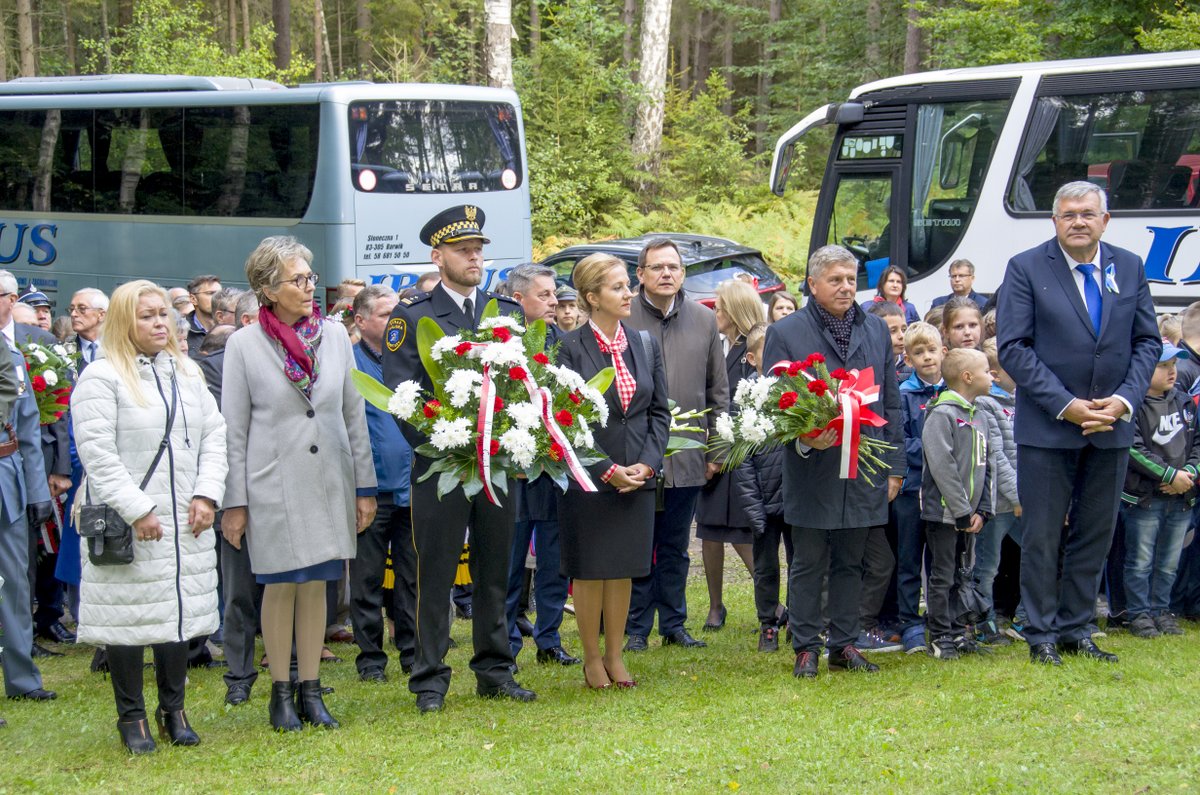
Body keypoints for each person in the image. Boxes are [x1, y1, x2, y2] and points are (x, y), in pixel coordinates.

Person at [997, 180, 1160, 666]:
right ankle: (1041, 633)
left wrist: (1125, 401)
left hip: (1111, 426)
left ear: (1104, 220)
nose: (1078, 222)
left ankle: (1077, 627)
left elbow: (1147, 342)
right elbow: (1013, 348)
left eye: (1087, 214)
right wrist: (1066, 404)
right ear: (1055, 221)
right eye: (1068, 215)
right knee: (1044, 535)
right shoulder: (1026, 268)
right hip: (1049, 429)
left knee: (1095, 532)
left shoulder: (1128, 267)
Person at [382, 205, 534, 714]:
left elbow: (525, 387)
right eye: (463, 250)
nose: (474, 257)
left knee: (495, 569)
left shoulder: (505, 313)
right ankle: (429, 677)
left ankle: (494, 669)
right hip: (441, 466)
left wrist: (509, 439)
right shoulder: (414, 316)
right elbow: (402, 395)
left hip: (496, 467)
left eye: (478, 249)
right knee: (437, 573)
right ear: (437, 255)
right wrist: (451, 443)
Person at [222, 236, 377, 730]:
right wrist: (235, 502)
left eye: (311, 277)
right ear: (267, 288)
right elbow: (234, 429)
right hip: (274, 484)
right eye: (298, 279)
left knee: (318, 588)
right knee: (283, 586)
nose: (310, 287)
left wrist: (365, 486)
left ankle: (312, 690)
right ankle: (280, 692)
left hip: (331, 478)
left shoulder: (333, 335)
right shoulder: (244, 344)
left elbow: (354, 414)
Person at [71, 280, 227, 753]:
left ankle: (173, 709)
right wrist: (138, 509)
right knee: (130, 619)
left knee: (176, 618)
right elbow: (97, 455)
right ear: (123, 321)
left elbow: (214, 436)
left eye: (164, 314)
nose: (161, 323)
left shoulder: (187, 372)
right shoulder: (101, 378)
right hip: (130, 520)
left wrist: (208, 493)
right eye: (147, 315)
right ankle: (132, 716)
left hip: (186, 517)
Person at [763, 245, 904, 677]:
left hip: (864, 462)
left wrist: (895, 464)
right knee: (808, 561)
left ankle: (844, 643)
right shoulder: (787, 331)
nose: (846, 287)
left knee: (852, 559)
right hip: (811, 465)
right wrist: (807, 439)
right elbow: (773, 403)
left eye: (851, 279)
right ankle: (806, 645)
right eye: (836, 280)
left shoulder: (876, 330)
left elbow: (892, 401)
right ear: (813, 284)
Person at [557, 253, 670, 688]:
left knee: (622, 567)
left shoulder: (644, 343)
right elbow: (564, 420)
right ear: (591, 297)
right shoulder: (567, 347)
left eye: (628, 285)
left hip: (638, 474)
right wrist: (606, 469)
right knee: (590, 569)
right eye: (618, 287)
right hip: (590, 476)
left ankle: (616, 655)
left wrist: (648, 463)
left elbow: (659, 412)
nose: (630, 293)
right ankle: (590, 659)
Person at [625, 238, 728, 651]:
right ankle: (635, 628)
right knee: (637, 545)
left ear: (683, 274)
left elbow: (717, 390)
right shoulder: (624, 315)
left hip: (688, 454)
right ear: (641, 274)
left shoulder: (704, 321)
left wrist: (716, 451)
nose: (666, 274)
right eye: (657, 267)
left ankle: (673, 623)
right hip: (636, 455)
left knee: (675, 546)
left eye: (674, 267)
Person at [502, 265, 580, 667]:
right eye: (546, 295)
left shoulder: (563, 344)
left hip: (552, 467)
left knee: (554, 559)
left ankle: (549, 639)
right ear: (519, 300)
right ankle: (507, 644)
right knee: (511, 564)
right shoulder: (497, 346)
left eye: (555, 296)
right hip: (513, 472)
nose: (555, 302)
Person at [349, 284, 416, 681]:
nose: (395, 322)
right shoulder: (350, 363)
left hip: (412, 487)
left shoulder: (406, 358)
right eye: (385, 315)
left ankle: (411, 651)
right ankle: (371, 658)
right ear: (360, 321)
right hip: (372, 492)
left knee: (411, 577)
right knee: (367, 580)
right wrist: (363, 488)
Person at [198, 303, 260, 707]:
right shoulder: (214, 366)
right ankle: (239, 673)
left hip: (287, 485)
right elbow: (228, 430)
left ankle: (291, 666)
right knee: (239, 589)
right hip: (240, 486)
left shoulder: (302, 356)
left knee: (288, 585)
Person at [920, 348, 994, 659]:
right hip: (945, 513)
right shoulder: (942, 414)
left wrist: (983, 509)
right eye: (987, 370)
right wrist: (962, 510)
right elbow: (942, 466)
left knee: (963, 572)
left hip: (970, 514)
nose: (993, 376)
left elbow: (985, 464)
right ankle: (941, 636)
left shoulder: (981, 416)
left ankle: (960, 629)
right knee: (943, 574)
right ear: (967, 377)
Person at [1120, 344, 1197, 639]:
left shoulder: (1185, 401)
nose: (1172, 371)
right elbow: (1131, 448)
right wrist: (1168, 475)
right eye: (1163, 366)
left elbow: (1198, 444)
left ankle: (1161, 611)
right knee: (1140, 561)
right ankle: (1139, 615)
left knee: (1168, 562)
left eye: (1174, 365)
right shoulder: (1132, 404)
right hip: (1145, 499)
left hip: (1181, 497)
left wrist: (1188, 474)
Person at [696, 279, 760, 631]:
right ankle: (715, 605)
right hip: (715, 447)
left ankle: (771, 601)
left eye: (719, 307)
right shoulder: (720, 346)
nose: (715, 313)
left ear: (735, 310)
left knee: (739, 532)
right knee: (708, 531)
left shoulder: (753, 347)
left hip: (739, 454)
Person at [0, 334, 56, 714]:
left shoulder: (9, 356)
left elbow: (28, 428)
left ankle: (21, 677)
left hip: (6, 473)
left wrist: (38, 492)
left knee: (15, 583)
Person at [737, 324, 792, 652]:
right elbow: (741, 463)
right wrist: (754, 508)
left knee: (801, 563)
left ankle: (799, 620)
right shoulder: (745, 401)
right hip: (764, 502)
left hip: (796, 500)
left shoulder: (797, 395)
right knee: (767, 566)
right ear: (753, 358)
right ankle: (768, 622)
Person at [972, 339, 1022, 645]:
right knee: (987, 566)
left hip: (1023, 499)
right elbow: (996, 456)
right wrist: (1018, 497)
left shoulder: (1023, 400)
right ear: (995, 374)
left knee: (1039, 556)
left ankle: (1029, 620)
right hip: (1000, 502)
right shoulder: (985, 405)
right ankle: (983, 623)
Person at [866, 301, 910, 383]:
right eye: (893, 331)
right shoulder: (866, 370)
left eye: (904, 330)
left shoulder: (912, 365)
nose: (901, 336)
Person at [68, 288, 108, 372]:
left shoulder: (118, 349)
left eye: (82, 309)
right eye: (72, 309)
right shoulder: (63, 349)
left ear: (101, 315)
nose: (73, 314)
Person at [185, 275, 222, 357]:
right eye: (211, 293)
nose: (217, 298)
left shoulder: (232, 329)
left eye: (220, 294)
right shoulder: (182, 331)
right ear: (193, 299)